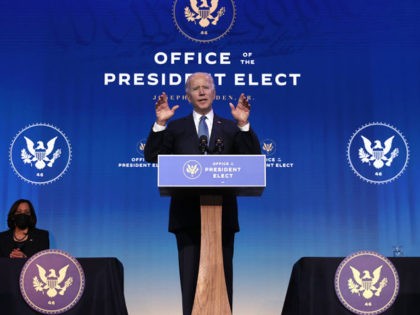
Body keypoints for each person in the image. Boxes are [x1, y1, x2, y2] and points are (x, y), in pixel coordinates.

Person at [144, 72, 261, 315]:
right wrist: (160, 124)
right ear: (187, 96)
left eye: (206, 87)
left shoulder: (230, 127)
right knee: (190, 283)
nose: (201, 92)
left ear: (214, 92)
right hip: (186, 217)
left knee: (222, 280)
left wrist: (243, 125)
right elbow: (151, 156)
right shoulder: (175, 128)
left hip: (222, 219)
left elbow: (251, 159)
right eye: (195, 88)